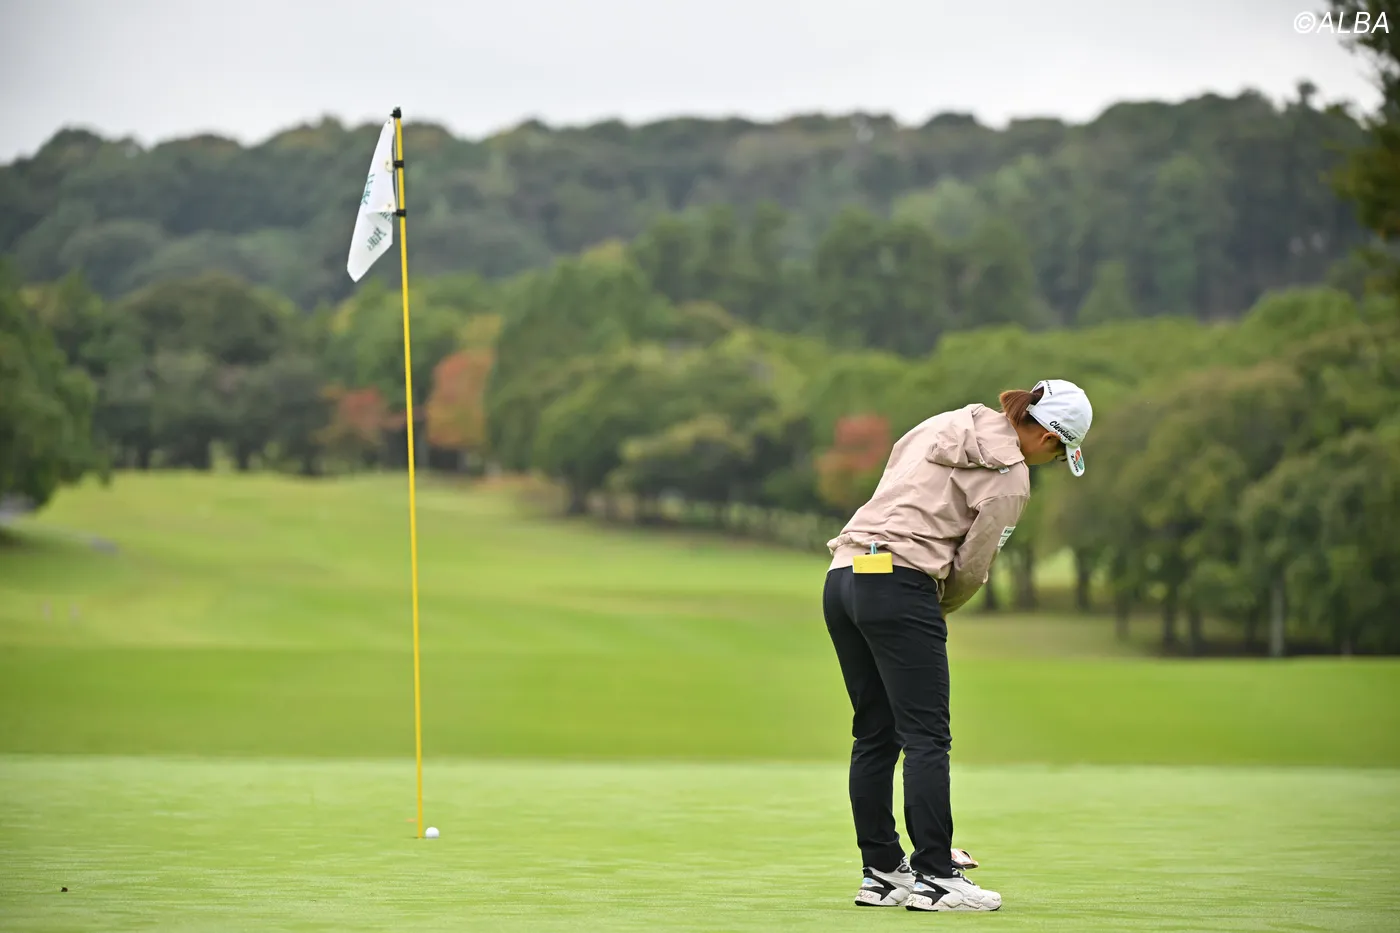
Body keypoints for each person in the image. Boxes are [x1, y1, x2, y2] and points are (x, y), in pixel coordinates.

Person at [822, 379, 1093, 912]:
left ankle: (882, 874)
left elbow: (893, 483)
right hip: (901, 583)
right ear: (1045, 436)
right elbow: (972, 566)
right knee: (927, 737)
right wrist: (930, 608)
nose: (1055, 462)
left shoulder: (947, 421)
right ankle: (936, 877)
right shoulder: (1012, 478)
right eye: (1060, 453)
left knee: (876, 733)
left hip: (845, 575)